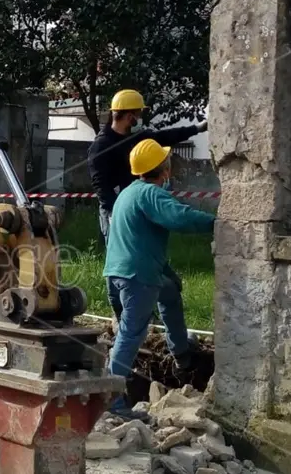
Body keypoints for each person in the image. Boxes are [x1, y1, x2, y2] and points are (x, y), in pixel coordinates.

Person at [104, 139, 215, 419]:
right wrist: (218, 222)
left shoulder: (127, 194)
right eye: (167, 164)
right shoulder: (151, 194)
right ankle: (111, 399)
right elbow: (180, 217)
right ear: (162, 169)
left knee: (170, 293)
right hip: (137, 278)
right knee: (132, 335)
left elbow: (140, 242)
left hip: (117, 273)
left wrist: (168, 273)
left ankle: (181, 352)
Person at [87, 89, 207, 321]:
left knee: (146, 251)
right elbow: (100, 185)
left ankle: (146, 304)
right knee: (118, 262)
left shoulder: (136, 138)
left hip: (138, 206)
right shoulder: (100, 146)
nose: (139, 118)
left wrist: (197, 129)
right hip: (114, 210)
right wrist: (113, 212)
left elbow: (164, 137)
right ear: (128, 115)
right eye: (138, 113)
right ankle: (121, 314)